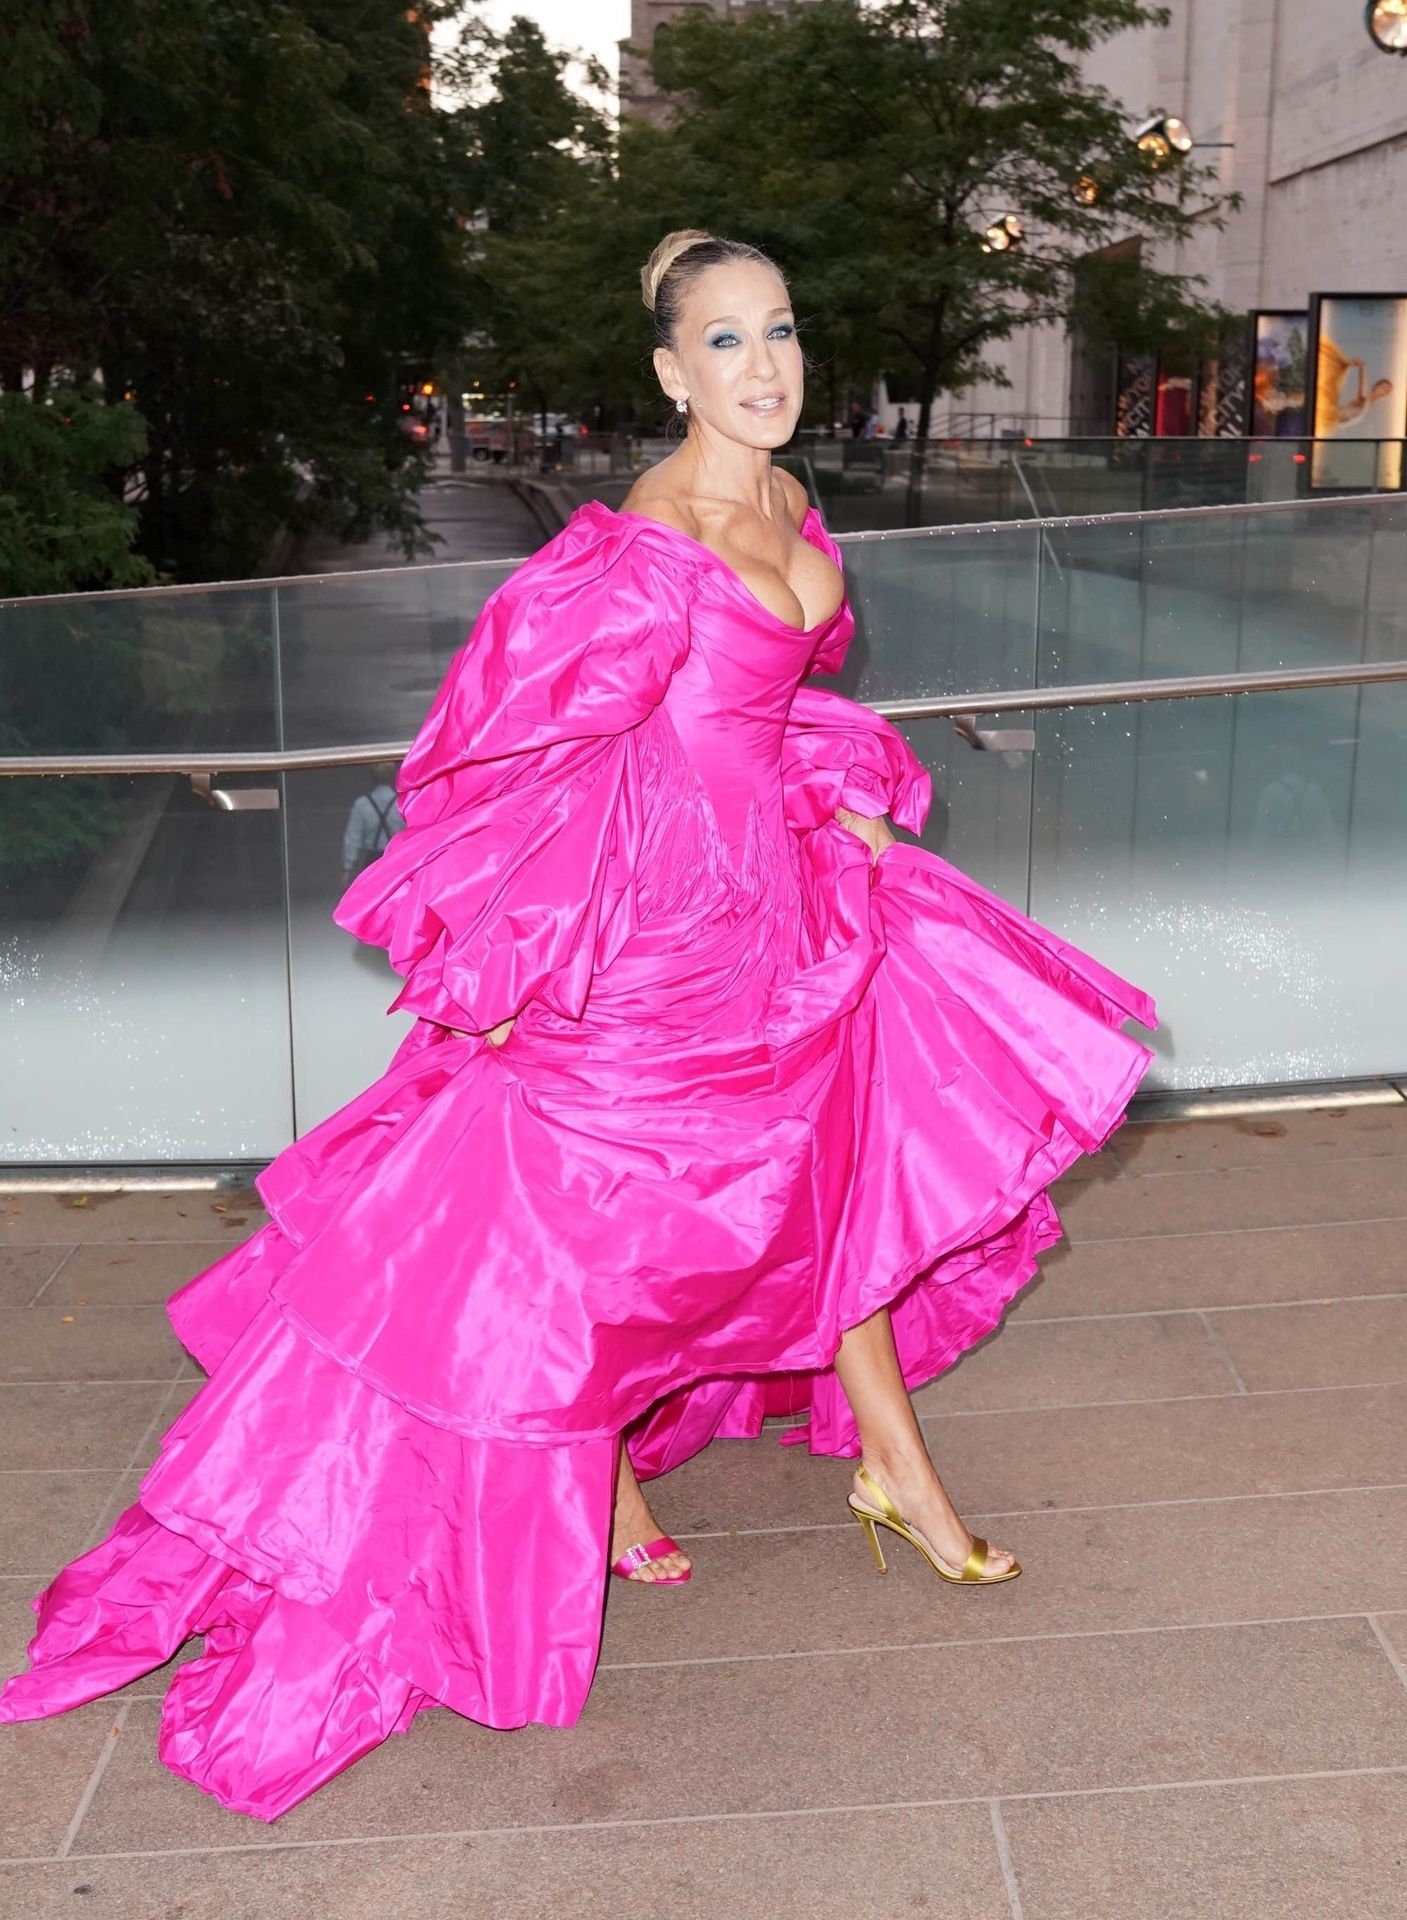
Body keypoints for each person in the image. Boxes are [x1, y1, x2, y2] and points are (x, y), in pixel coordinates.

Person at [1, 229, 1155, 1821]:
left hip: (791, 900)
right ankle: (598, 1469)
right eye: (725, 342)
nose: (762, 366)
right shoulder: (640, 545)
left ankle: (894, 1464)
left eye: (779, 332)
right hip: (657, 932)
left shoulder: (787, 501)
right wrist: (526, 951)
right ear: (671, 372)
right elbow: (506, 747)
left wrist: (832, 804)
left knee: (832, 1170)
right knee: (598, 1229)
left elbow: (760, 703)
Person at [340, 764, 404, 885]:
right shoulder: (401, 803)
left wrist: (347, 867)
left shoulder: (362, 804)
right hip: (395, 858)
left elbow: (353, 838)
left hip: (372, 861)